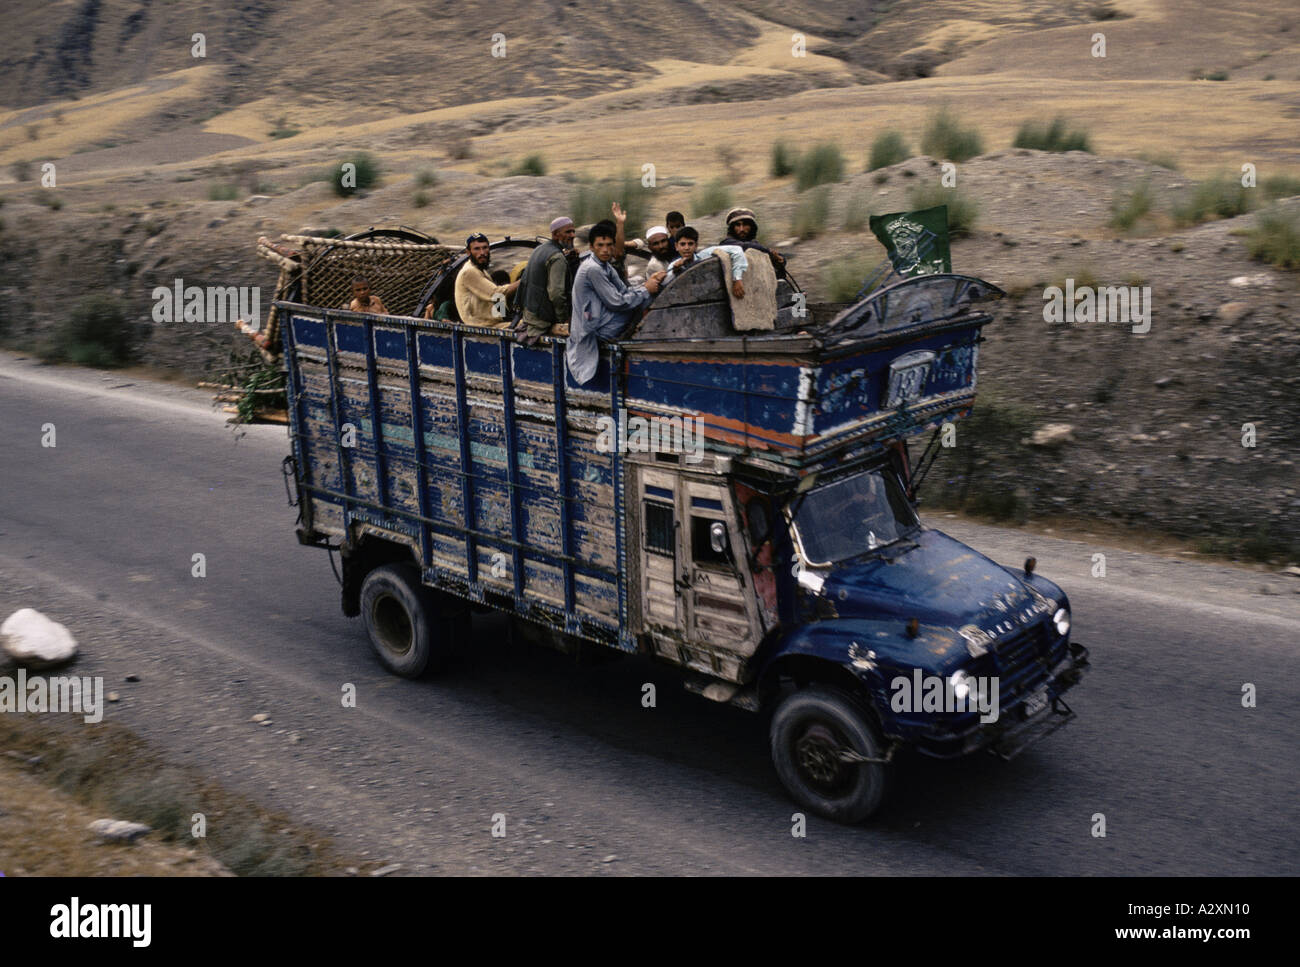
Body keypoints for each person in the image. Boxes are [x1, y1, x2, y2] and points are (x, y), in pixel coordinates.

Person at [566, 220, 664, 384]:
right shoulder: (593, 268)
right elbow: (617, 302)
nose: (605, 250)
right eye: (600, 245)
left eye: (609, 245)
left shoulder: (605, 266)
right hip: (593, 330)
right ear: (591, 247)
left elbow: (624, 292)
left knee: (642, 297)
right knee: (642, 301)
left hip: (601, 320)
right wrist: (646, 289)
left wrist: (645, 286)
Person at [517, 216, 578, 345]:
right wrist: (563, 320)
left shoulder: (540, 249)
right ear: (556, 234)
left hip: (529, 316)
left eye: (573, 231)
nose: (572, 235)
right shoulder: (557, 257)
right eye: (568, 232)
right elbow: (556, 294)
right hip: (541, 322)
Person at [451, 233, 519, 327]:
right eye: (477, 249)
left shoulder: (481, 271)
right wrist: (523, 281)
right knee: (533, 327)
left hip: (493, 322)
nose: (482, 252)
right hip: (482, 326)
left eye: (485, 248)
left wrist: (508, 316)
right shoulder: (469, 272)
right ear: (468, 252)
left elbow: (497, 300)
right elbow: (496, 294)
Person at [666, 226, 748, 298]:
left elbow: (737, 250)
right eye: (683, 244)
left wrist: (737, 279)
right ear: (676, 246)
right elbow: (665, 286)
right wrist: (675, 271)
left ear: (696, 245)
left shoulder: (705, 255)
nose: (687, 248)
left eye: (690, 244)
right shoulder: (673, 266)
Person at [720, 207, 787, 280]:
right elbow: (746, 247)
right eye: (738, 225)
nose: (741, 229)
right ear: (732, 228)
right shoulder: (727, 243)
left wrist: (779, 259)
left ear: (751, 227)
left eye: (745, 225)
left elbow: (780, 260)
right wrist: (769, 252)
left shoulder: (755, 243)